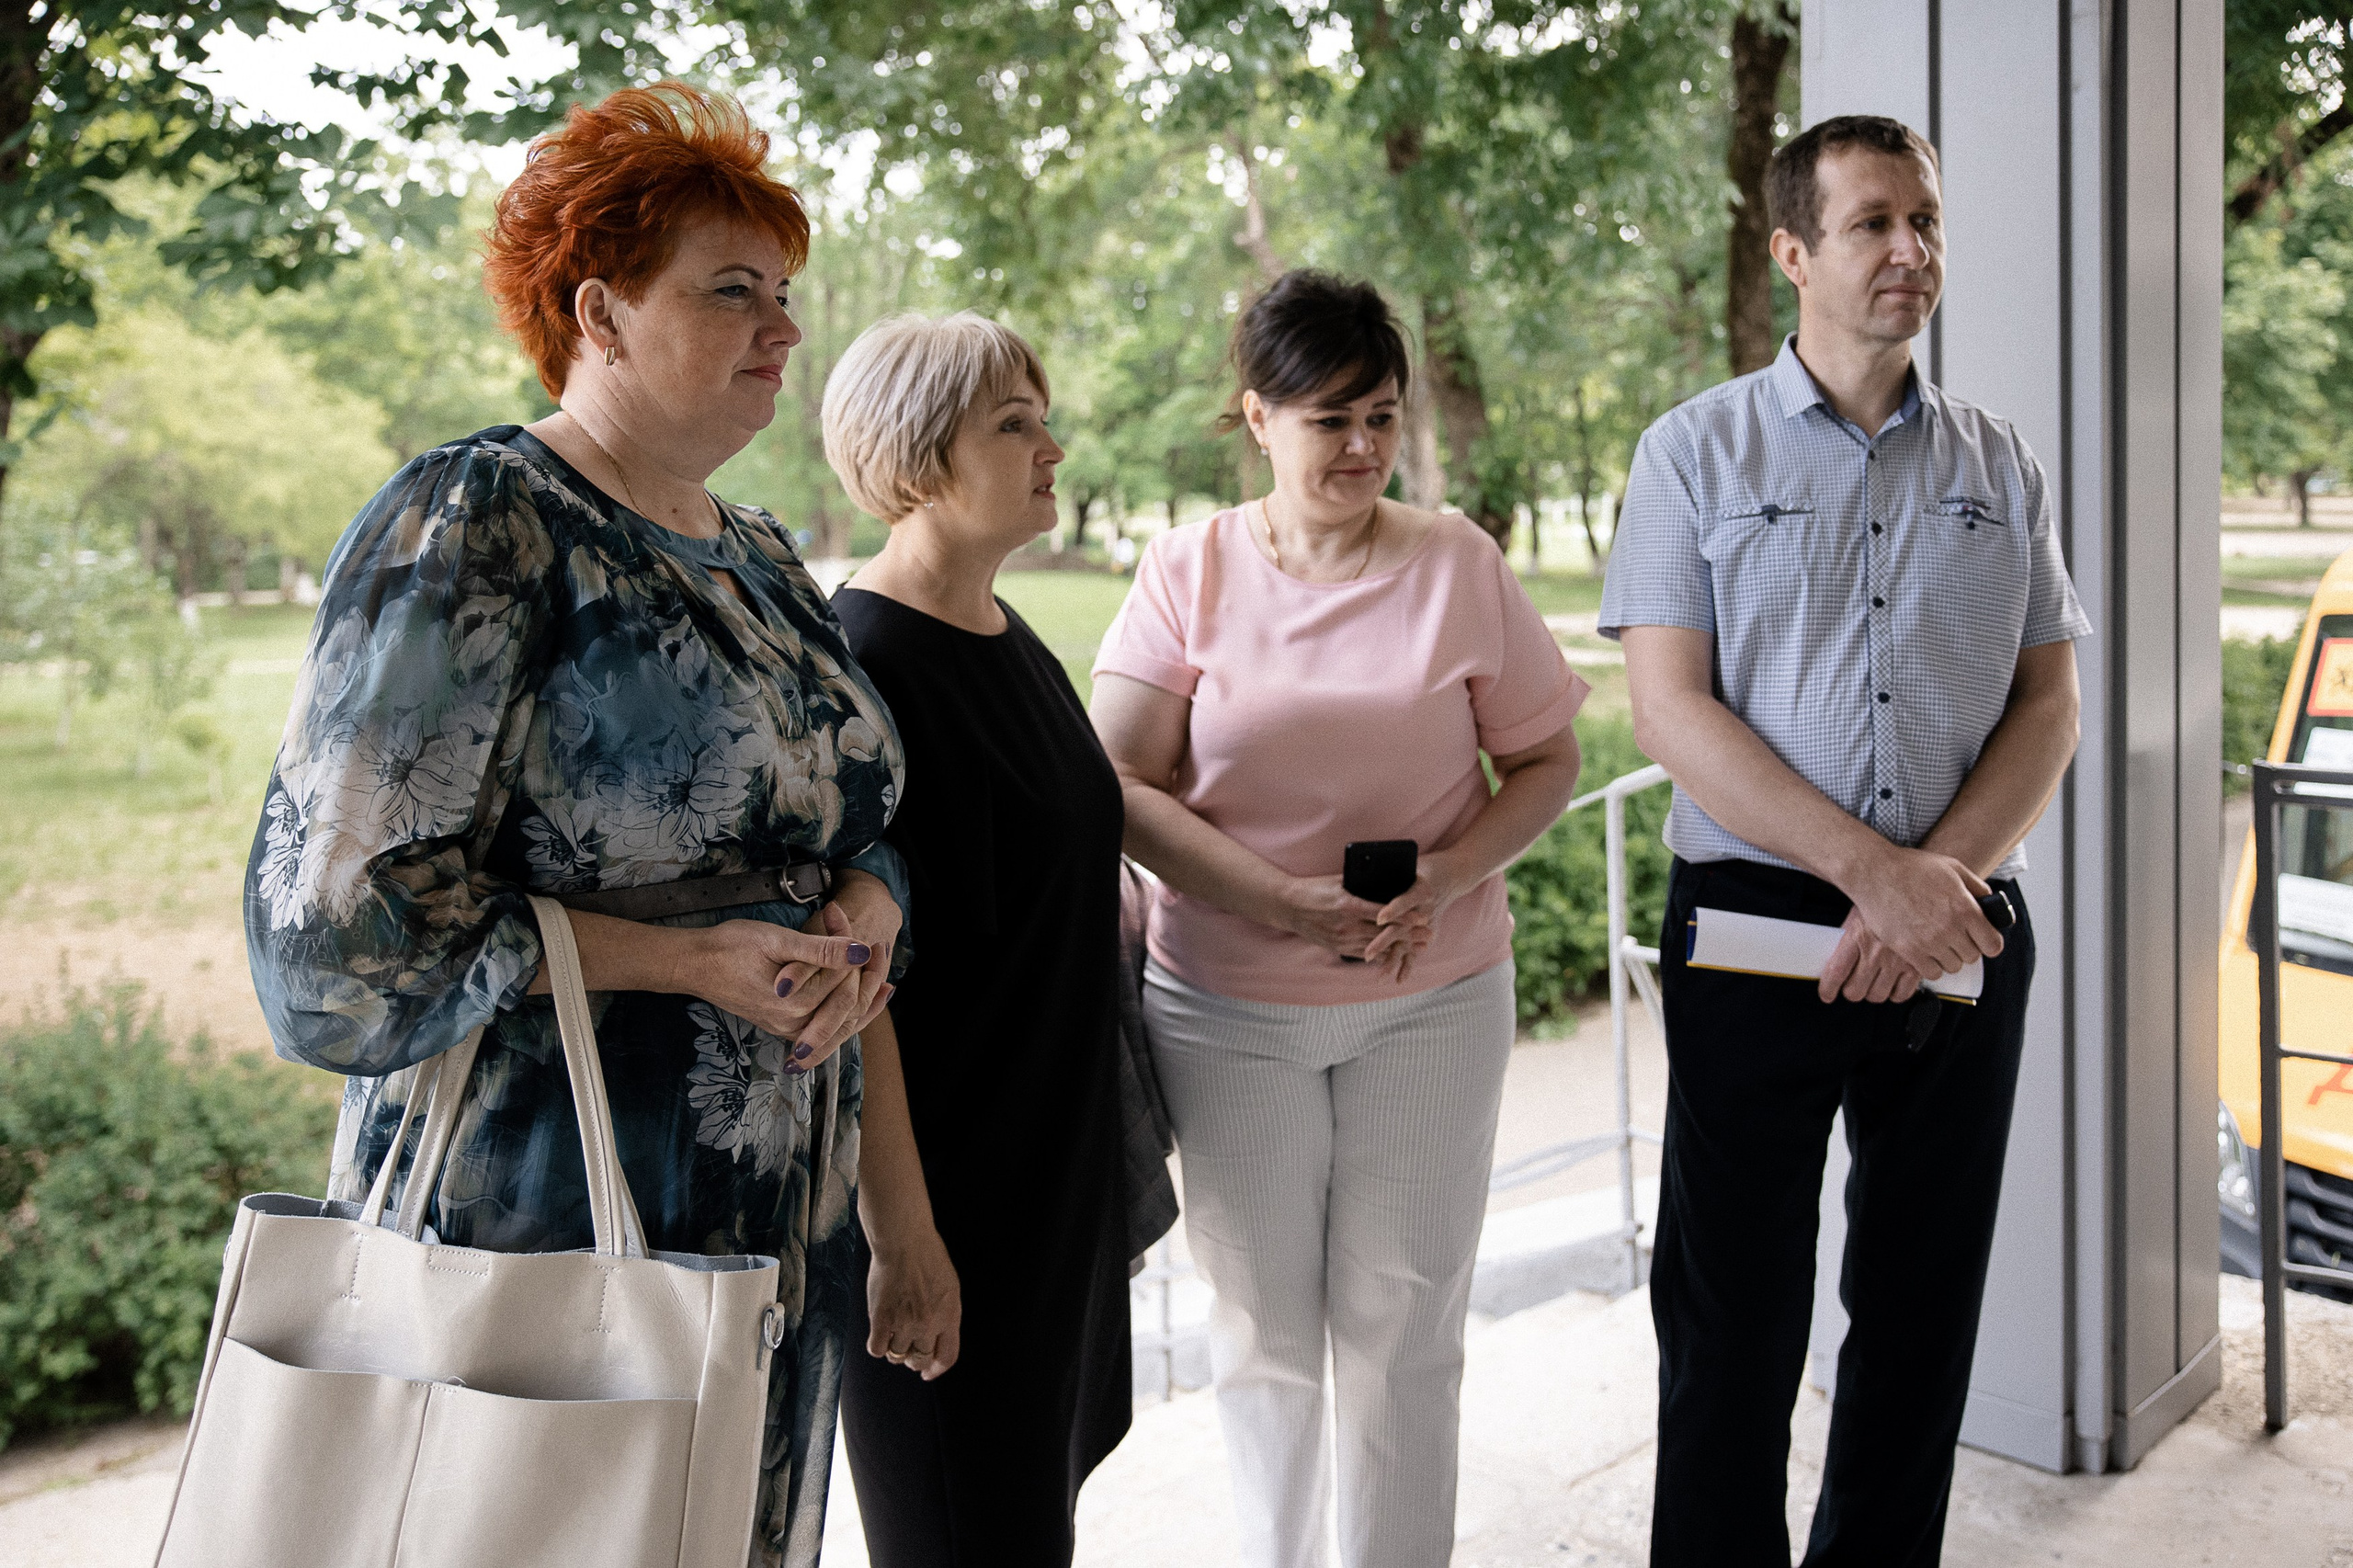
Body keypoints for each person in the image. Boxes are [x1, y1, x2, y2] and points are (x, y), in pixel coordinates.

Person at [243, 83, 908, 1567]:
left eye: (786, 294)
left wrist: (871, 901)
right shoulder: (478, 518)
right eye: (732, 291)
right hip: (543, 1224)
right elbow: (330, 934)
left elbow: (841, 822)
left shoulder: (758, 552)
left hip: (768, 1231)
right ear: (598, 314)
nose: (784, 331)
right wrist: (685, 962)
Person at [1600, 114, 2090, 1567]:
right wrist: (1870, 874)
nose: (1910, 250)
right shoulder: (1692, 450)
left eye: (1924, 221)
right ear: (1794, 251)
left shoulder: (1999, 465)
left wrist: (1930, 883)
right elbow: (1669, 712)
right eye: (1873, 223)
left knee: (1924, 1305)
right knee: (1732, 1310)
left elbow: (2049, 703)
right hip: (1756, 928)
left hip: (1960, 924)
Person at [1089, 270, 1588, 1568]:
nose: (1363, 447)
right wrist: (1282, 902)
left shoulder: (1460, 562)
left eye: (1381, 415)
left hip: (1433, 1001)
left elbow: (1546, 761)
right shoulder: (1187, 569)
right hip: (1227, 1008)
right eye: (1329, 420)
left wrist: (1451, 872)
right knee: (1260, 1331)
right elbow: (1120, 785)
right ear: (1258, 416)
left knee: (1407, 1325)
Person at [823, 314, 1133, 1563]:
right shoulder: (861, 664)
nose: (1053, 445)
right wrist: (905, 1240)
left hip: (1045, 1183)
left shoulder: (1006, 633)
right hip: (943, 1197)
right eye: (1014, 423)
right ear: (913, 462)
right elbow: (858, 993)